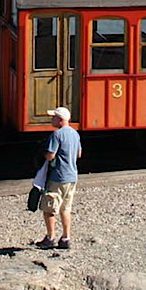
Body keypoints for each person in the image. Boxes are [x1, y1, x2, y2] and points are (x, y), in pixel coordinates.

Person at [35, 106, 82, 251]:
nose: (51, 119)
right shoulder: (75, 134)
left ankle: (50, 238)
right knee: (66, 208)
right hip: (72, 176)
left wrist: (42, 156)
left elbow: (50, 155)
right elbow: (79, 154)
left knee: (49, 208)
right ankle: (66, 238)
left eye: (54, 117)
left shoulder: (56, 135)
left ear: (60, 120)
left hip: (58, 177)